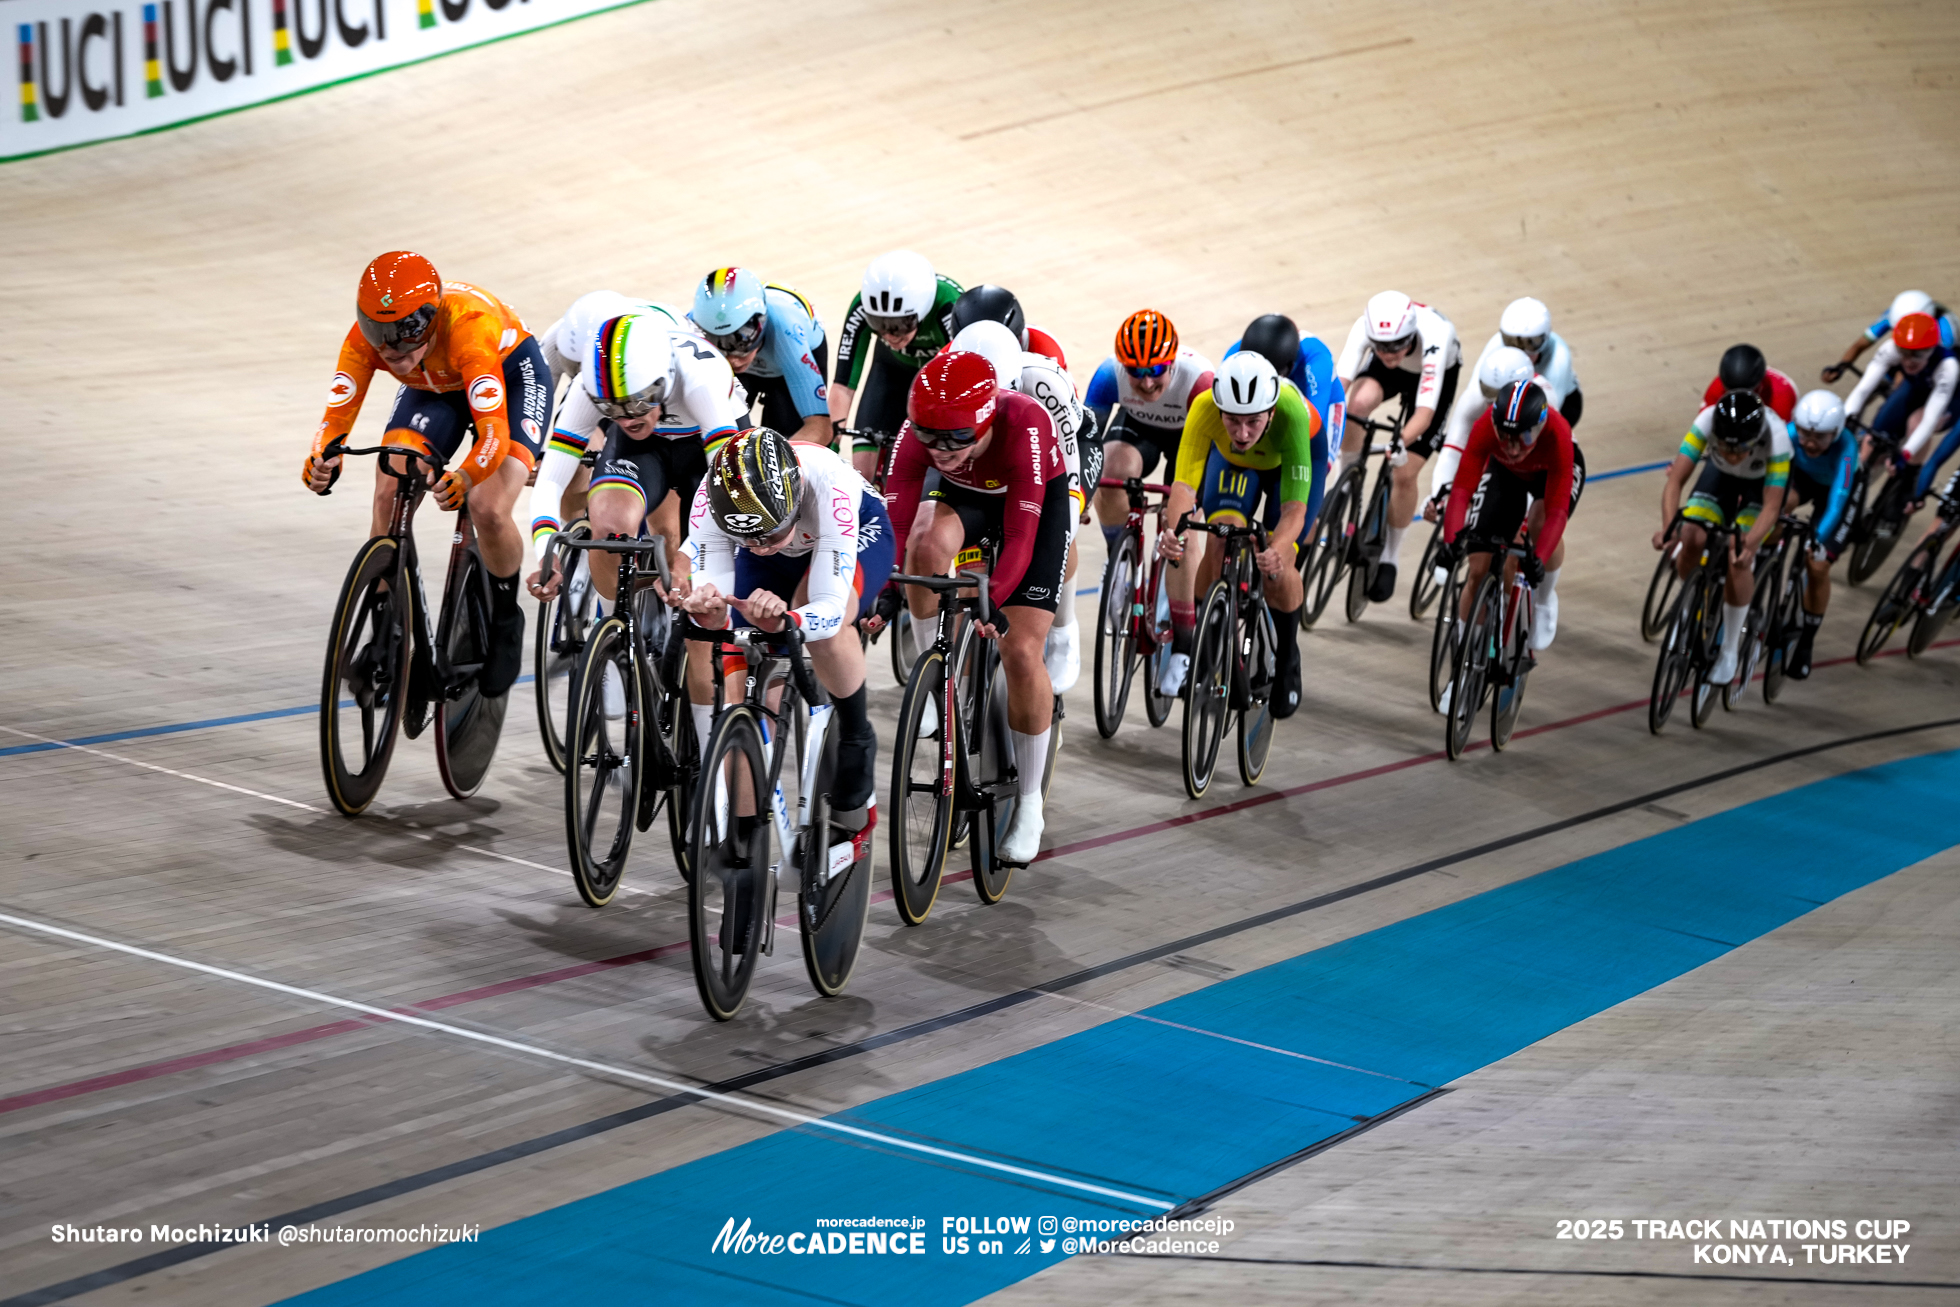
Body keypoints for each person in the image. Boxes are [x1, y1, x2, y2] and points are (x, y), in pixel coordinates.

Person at [303, 251, 549, 697]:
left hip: (509, 377)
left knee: (487, 507)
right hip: (433, 385)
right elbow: (336, 416)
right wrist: (324, 458)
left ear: (429, 320)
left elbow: (492, 433)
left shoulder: (470, 329)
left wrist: (468, 475)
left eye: (400, 334)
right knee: (389, 490)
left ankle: (505, 617)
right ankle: (386, 630)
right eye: (378, 332)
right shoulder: (368, 339)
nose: (389, 348)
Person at [885, 350, 1070, 866]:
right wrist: (884, 585)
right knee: (921, 550)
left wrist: (996, 601)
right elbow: (895, 522)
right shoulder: (927, 433)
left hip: (1030, 504)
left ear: (987, 420)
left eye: (958, 439)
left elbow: (1021, 535)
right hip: (965, 495)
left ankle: (1030, 803)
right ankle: (938, 676)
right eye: (930, 439)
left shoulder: (1026, 424)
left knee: (1022, 649)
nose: (941, 451)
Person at [675, 428, 895, 823]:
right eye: (749, 537)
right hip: (780, 556)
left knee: (821, 622)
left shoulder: (830, 485)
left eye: (770, 532)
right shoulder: (713, 498)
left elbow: (826, 610)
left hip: (855, 533)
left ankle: (856, 734)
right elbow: (717, 602)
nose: (760, 543)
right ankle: (745, 838)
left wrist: (788, 620)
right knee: (739, 687)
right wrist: (705, 610)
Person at [525, 311, 748, 608]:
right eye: (611, 408)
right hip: (645, 450)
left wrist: (687, 556)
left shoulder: (700, 382)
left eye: (639, 401)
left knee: (708, 570)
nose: (628, 418)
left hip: (703, 446)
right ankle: (622, 628)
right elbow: (551, 481)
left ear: (664, 378)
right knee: (607, 534)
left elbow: (729, 493)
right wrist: (546, 554)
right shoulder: (587, 387)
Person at [1155, 351, 1322, 716]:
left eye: (1252, 421)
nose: (1242, 432)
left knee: (1279, 563)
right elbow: (1183, 485)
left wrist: (1279, 546)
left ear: (1271, 413)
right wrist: (1175, 533)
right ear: (1218, 411)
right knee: (1219, 534)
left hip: (1288, 464)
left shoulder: (1293, 414)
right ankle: (1209, 639)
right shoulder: (1202, 408)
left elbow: (1295, 509)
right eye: (1232, 421)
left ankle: (1288, 658)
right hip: (1234, 463)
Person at [947, 320, 1091, 693]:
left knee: (1060, 530)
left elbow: (1067, 477)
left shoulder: (1045, 386)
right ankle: (956, 692)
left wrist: (1065, 515)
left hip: (1063, 451)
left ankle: (1064, 629)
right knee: (969, 576)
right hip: (993, 454)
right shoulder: (949, 377)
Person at [1442, 381, 1582, 681]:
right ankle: (1462, 672)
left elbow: (1558, 512)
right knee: (1478, 568)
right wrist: (1452, 538)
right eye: (1504, 436)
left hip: (1549, 476)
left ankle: (1543, 599)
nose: (1513, 446)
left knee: (1539, 522)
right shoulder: (1484, 428)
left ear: (1541, 425)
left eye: (1524, 436)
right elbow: (1463, 489)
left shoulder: (1558, 435)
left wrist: (1539, 560)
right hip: (1507, 474)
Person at [1654, 390, 1792, 686]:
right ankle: (1688, 605)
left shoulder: (1777, 438)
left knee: (1737, 554)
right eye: (1725, 447)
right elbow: (1676, 480)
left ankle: (1730, 650)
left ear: (1755, 440)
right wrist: (1668, 529)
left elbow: (1772, 506)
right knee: (1690, 534)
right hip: (1720, 476)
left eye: (1739, 449)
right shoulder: (1705, 421)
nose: (1731, 454)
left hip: (1760, 484)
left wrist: (1750, 546)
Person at [1335, 290, 1462, 602]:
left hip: (1434, 377)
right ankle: (1349, 476)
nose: (1389, 353)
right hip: (1394, 375)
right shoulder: (1366, 331)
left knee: (1404, 474)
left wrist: (1399, 441)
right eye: (1381, 347)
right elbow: (1338, 388)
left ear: (1411, 335)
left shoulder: (1436, 336)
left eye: (1396, 345)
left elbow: (1424, 413)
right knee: (1357, 405)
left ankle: (1390, 554)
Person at [1083, 310, 1215, 548]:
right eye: (1136, 371)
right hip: (1138, 427)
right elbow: (1084, 441)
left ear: (1172, 362)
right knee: (1109, 474)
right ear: (1124, 366)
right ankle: (1119, 556)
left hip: (1188, 439)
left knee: (1180, 528)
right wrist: (1080, 492)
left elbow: (1214, 450)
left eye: (1155, 370)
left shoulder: (1200, 382)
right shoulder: (1109, 375)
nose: (1147, 383)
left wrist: (1180, 505)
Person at [829, 250, 963, 478]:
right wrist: (830, 444)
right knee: (863, 473)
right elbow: (843, 386)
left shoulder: (948, 307)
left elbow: (960, 387)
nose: (890, 335)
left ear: (923, 309)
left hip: (938, 386)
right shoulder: (861, 307)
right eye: (879, 324)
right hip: (890, 372)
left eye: (900, 325)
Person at [1222, 312, 1344, 526]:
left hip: (1317, 414)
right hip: (1262, 414)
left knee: (1296, 507)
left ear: (1289, 366)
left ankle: (1302, 546)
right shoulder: (1236, 356)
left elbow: (1307, 426)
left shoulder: (1315, 360)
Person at [689, 267, 833, 447]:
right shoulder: (691, 323)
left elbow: (821, 428)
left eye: (741, 340)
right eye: (719, 343)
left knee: (784, 433)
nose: (733, 359)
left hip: (787, 360)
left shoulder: (786, 330)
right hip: (751, 370)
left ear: (762, 323)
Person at [1842, 312, 1960, 502]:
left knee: (1916, 424)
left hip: (1951, 398)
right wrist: (1845, 418)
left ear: (1932, 348)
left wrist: (1906, 454)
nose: (1908, 361)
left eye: (1918, 354)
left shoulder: (1948, 366)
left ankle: (1908, 481)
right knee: (1872, 438)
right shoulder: (1890, 349)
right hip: (1917, 388)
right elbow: (1863, 390)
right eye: (1904, 352)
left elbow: (1929, 421)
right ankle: (1852, 493)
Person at [1783, 389, 1859, 679]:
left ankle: (1806, 643)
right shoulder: (1789, 434)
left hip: (1837, 490)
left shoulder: (1846, 449)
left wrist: (1818, 540)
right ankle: (1767, 558)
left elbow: (1839, 501)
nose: (1811, 443)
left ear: (1836, 433)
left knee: (1817, 566)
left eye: (1821, 437)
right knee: (1780, 505)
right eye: (1804, 434)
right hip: (1803, 478)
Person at [1427, 346, 1540, 514]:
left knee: (1535, 523)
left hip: (1538, 463)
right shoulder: (1473, 400)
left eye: (1501, 397)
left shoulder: (1540, 408)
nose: (1492, 404)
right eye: (1488, 392)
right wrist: (1438, 497)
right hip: (1501, 445)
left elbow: (1539, 476)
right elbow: (1451, 453)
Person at [1822, 289, 1955, 382]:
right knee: (1878, 381)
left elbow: (1934, 363)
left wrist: (1903, 376)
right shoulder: (1893, 314)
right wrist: (1840, 368)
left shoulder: (1944, 330)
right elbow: (1860, 344)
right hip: (1910, 354)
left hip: (1942, 359)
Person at [1701, 343, 1798, 421]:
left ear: (1760, 385)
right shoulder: (1717, 388)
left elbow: (1781, 438)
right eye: (1730, 392)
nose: (1738, 399)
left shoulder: (1781, 396)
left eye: (1745, 393)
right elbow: (1702, 427)